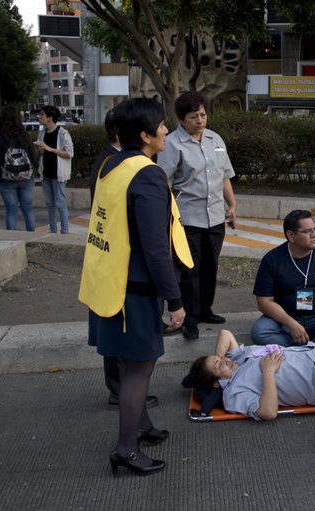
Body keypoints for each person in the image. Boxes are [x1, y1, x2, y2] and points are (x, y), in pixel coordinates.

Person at [78, 98, 193, 476]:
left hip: (110, 282)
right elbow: (156, 246)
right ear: (144, 136)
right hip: (136, 290)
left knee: (129, 364)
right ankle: (125, 449)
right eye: (160, 126)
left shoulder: (110, 164)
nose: (166, 131)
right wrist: (175, 300)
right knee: (139, 369)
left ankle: (141, 427)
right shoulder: (146, 175)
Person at [86, 107, 160, 411]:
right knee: (128, 351)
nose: (164, 131)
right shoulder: (120, 165)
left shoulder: (117, 162)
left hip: (113, 267)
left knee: (122, 344)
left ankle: (132, 405)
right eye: (160, 126)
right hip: (124, 270)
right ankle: (122, 396)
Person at [159, 92, 237, 340]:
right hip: (187, 218)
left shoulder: (215, 139)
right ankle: (189, 317)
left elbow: (224, 175)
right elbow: (164, 182)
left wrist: (232, 205)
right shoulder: (171, 144)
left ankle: (205, 309)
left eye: (203, 115)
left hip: (215, 217)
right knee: (189, 269)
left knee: (210, 266)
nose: (200, 120)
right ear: (181, 119)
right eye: (194, 117)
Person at [186, 329, 315, 420]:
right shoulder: (234, 394)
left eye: (220, 357)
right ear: (216, 383)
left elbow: (225, 334)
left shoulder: (237, 358)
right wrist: (268, 372)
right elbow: (268, 413)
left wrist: (220, 358)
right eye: (219, 365)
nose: (224, 360)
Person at [250, 209, 315, 349]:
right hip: (287, 316)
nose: (314, 235)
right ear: (291, 235)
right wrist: (291, 323)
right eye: (307, 231)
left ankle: (303, 347)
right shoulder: (272, 259)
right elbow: (264, 302)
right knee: (260, 332)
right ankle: (312, 345)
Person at [0, 106, 37, 231]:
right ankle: (31, 236)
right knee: (28, 208)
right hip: (26, 177)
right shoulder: (24, 135)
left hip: (5, 178)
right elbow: (33, 157)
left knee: (11, 210)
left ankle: (12, 238)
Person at [34, 105, 73, 234]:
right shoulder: (42, 132)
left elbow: (69, 153)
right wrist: (39, 149)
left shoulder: (63, 133)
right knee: (49, 204)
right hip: (45, 173)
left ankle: (65, 231)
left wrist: (49, 148)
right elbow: (41, 152)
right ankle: (52, 230)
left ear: (49, 118)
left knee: (60, 203)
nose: (39, 117)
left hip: (59, 174)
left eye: (41, 114)